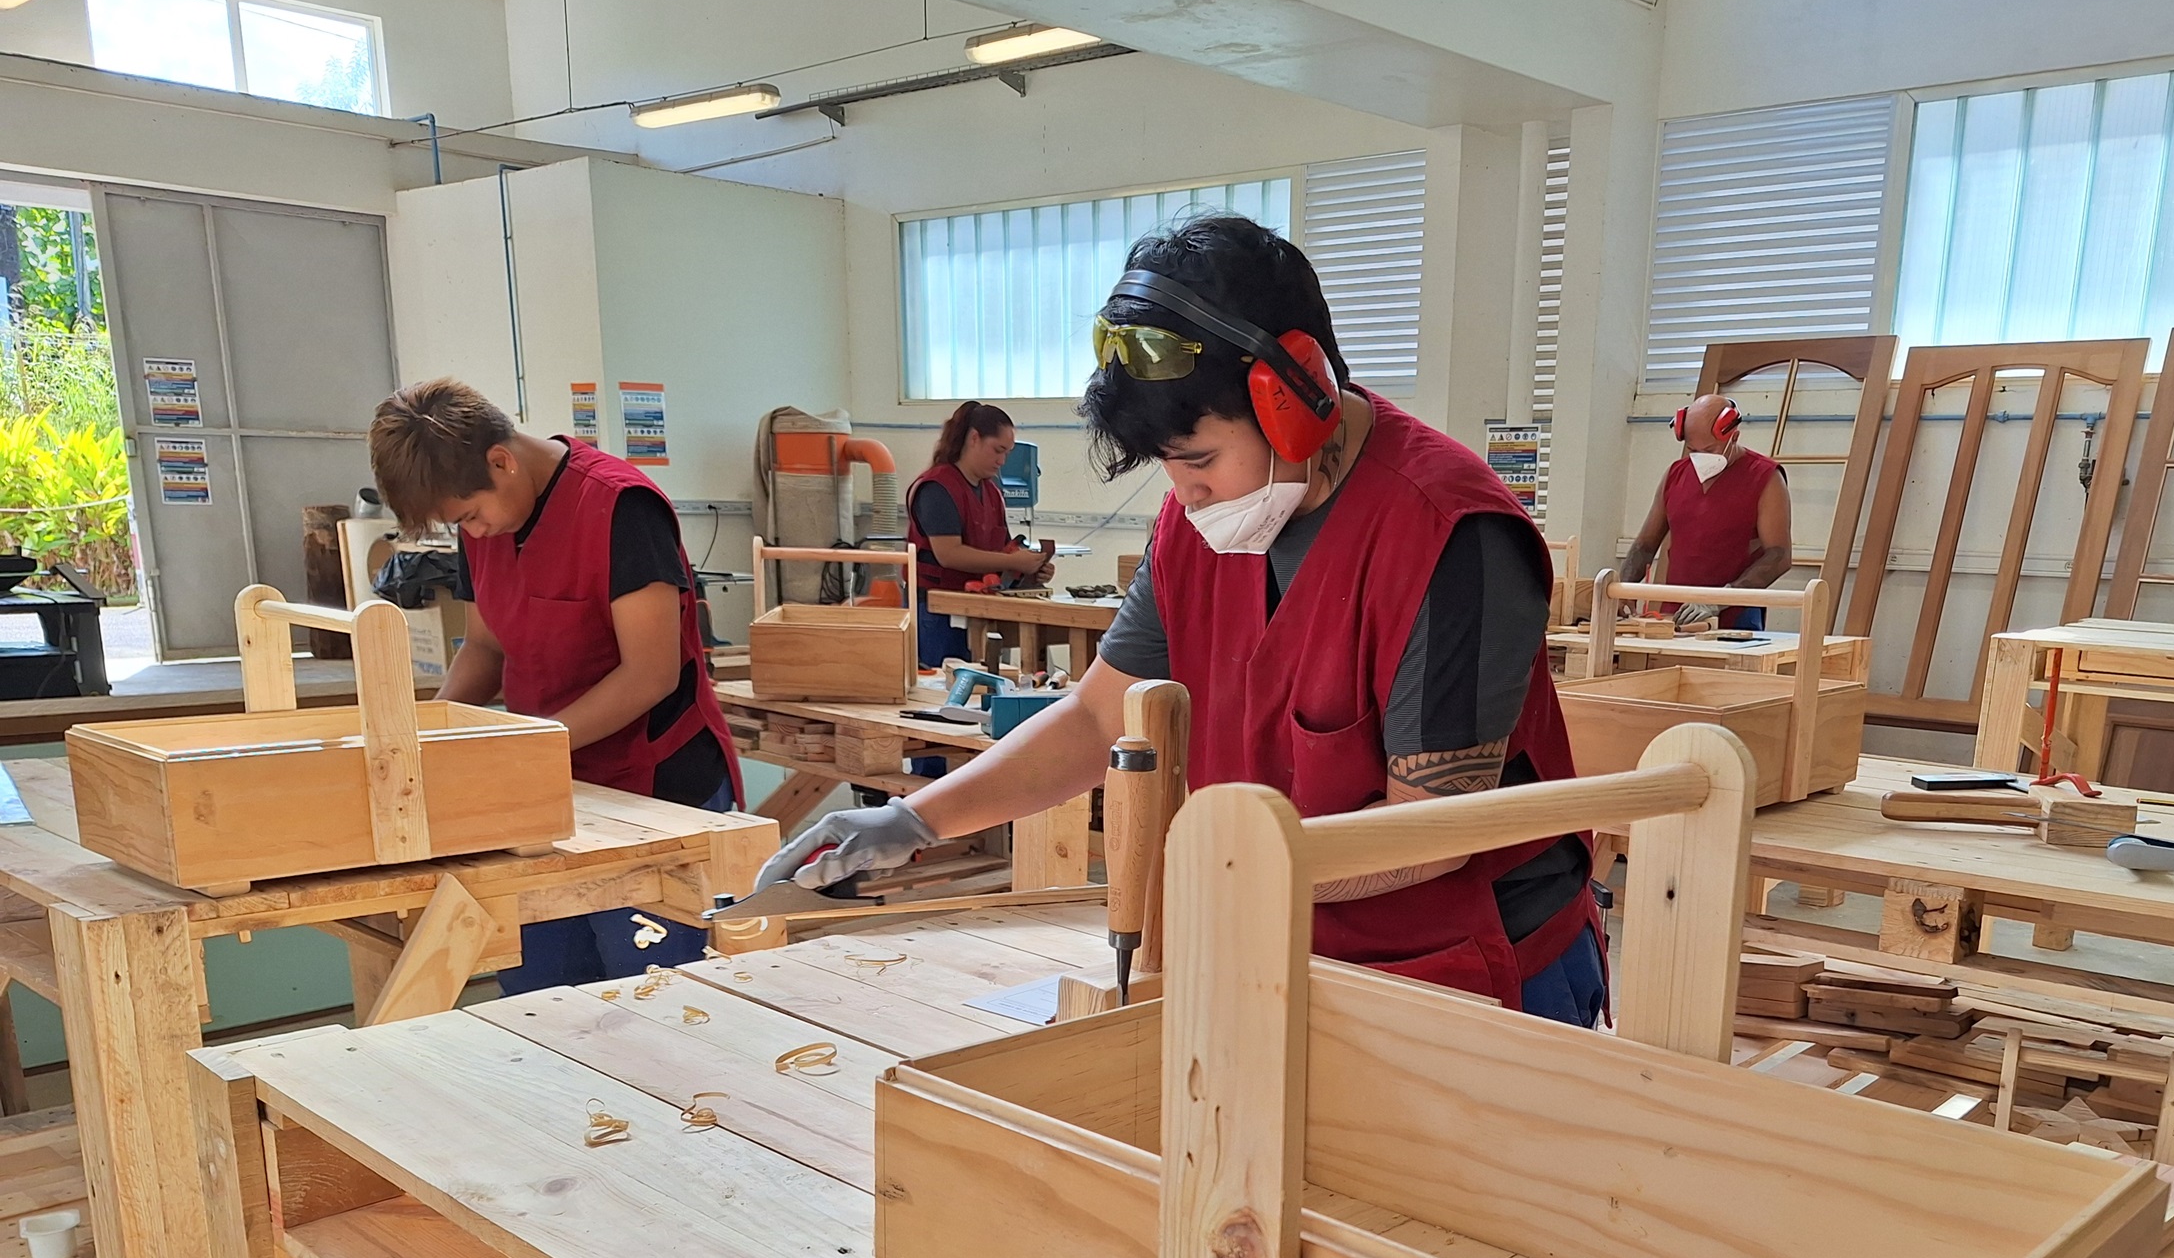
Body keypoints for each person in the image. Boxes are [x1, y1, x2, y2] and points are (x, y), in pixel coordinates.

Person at [757, 214, 1603, 1024]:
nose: (1185, 491)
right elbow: (1095, 717)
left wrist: (1226, 862)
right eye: (1168, 466)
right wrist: (916, 821)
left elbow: (1428, 833)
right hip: (1282, 942)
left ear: (1295, 401)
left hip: (1473, 967)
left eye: (1198, 460)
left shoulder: (1448, 534)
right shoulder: (1198, 523)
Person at [367, 377, 741, 992]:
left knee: (658, 1007)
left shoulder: (620, 507)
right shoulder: (481, 524)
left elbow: (650, 673)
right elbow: (485, 646)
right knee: (546, 1004)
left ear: (502, 460)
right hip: (546, 799)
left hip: (652, 795)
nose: (474, 533)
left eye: (470, 516)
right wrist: (421, 735)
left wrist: (527, 746)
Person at [1620, 391, 1791, 630]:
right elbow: (1645, 545)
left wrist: (1720, 599)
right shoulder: (1675, 475)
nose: (1700, 458)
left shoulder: (1765, 477)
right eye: (1693, 450)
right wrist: (1624, 587)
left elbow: (1779, 556)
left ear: (1733, 436)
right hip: (1676, 617)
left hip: (1736, 618)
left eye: (1709, 450)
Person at [906, 400, 1055, 668]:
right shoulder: (937, 488)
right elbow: (949, 554)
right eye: (998, 450)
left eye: (1007, 453)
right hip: (937, 611)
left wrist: (1030, 570)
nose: (1002, 461)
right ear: (974, 438)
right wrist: (1011, 562)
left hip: (981, 609)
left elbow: (1003, 550)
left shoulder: (992, 493)